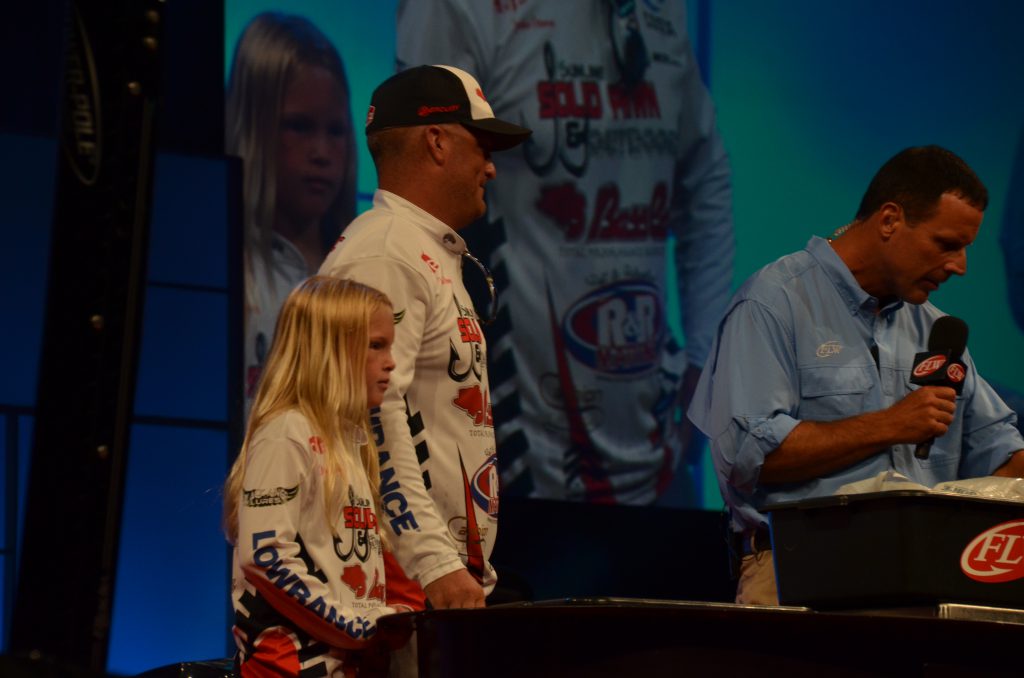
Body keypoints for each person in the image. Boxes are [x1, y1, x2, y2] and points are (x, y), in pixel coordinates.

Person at [395, 0, 735, 507]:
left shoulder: (662, 10)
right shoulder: (459, 9)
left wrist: (705, 359)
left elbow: (705, 178)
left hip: (655, 449)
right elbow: (416, 195)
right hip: (510, 457)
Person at [688, 145, 1024, 605]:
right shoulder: (772, 302)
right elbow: (745, 457)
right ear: (889, 220)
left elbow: (1001, 455)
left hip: (923, 582)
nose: (960, 266)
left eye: (966, 248)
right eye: (947, 244)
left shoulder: (936, 330)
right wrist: (891, 425)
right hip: (800, 577)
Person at [319, 65, 531, 610]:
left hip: (421, 580)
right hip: (397, 584)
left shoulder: (417, 248)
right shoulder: (385, 252)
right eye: (482, 146)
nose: (491, 167)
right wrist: (434, 562)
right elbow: (368, 413)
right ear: (436, 141)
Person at [224, 275, 406, 676]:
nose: (391, 362)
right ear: (331, 349)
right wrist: (358, 629)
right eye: (377, 345)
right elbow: (266, 555)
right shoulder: (286, 432)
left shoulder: (349, 442)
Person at [225, 12, 357, 409]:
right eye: (299, 126)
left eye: (335, 131)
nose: (322, 152)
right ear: (253, 127)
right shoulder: (223, 270)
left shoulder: (366, 271)